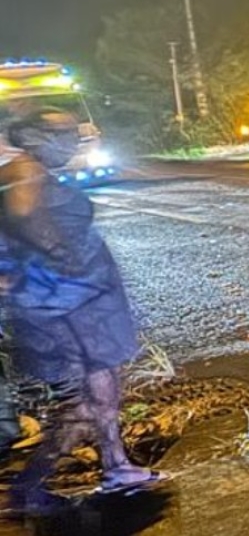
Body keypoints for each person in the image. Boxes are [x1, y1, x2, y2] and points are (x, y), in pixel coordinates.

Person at [0, 104, 166, 514]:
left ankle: (116, 466)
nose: (73, 141)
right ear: (37, 137)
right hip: (64, 306)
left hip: (75, 302)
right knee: (90, 398)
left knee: (101, 389)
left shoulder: (29, 170)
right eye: (65, 134)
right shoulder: (25, 170)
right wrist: (64, 257)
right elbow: (24, 215)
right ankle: (28, 487)